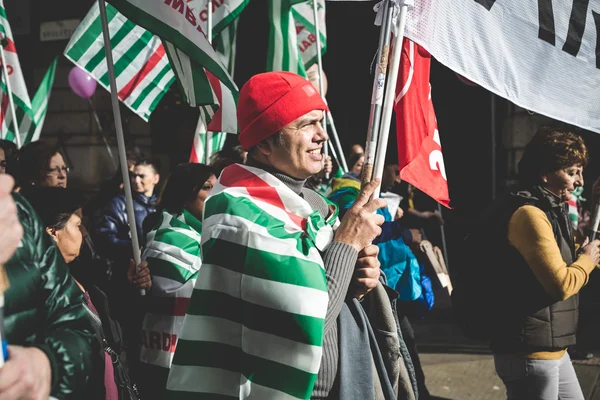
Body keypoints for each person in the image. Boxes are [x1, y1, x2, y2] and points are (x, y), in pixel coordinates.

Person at [166, 71, 416, 399]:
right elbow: (300, 328)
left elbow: (328, 289)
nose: (321, 135)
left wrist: (355, 282)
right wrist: (347, 243)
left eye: (320, 122)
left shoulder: (310, 206)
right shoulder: (241, 214)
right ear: (266, 143)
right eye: (306, 125)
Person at [467, 128, 600, 400]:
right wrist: (587, 259)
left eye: (581, 172)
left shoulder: (552, 210)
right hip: (529, 354)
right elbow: (562, 284)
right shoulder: (529, 215)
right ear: (545, 172)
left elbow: (587, 254)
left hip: (551, 351)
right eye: (573, 172)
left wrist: (597, 208)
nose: (580, 182)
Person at [21, 186, 150, 399]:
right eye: (78, 225)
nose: (84, 233)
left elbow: (114, 334)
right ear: (52, 232)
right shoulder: (35, 295)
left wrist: (130, 285)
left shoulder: (78, 274)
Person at [1, 174, 94, 399]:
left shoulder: (19, 215)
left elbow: (78, 329)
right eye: (78, 225)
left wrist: (47, 365)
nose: (84, 233)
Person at [137, 163, 216, 398]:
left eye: (217, 186)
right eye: (207, 187)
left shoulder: (208, 233)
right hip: (170, 364)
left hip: (197, 360)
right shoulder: (168, 238)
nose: (216, 193)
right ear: (185, 196)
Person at [92, 158, 160, 355]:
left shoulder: (161, 204)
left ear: (155, 178)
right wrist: (135, 250)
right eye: (133, 175)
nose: (136, 180)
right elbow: (105, 238)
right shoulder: (119, 203)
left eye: (142, 176)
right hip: (125, 278)